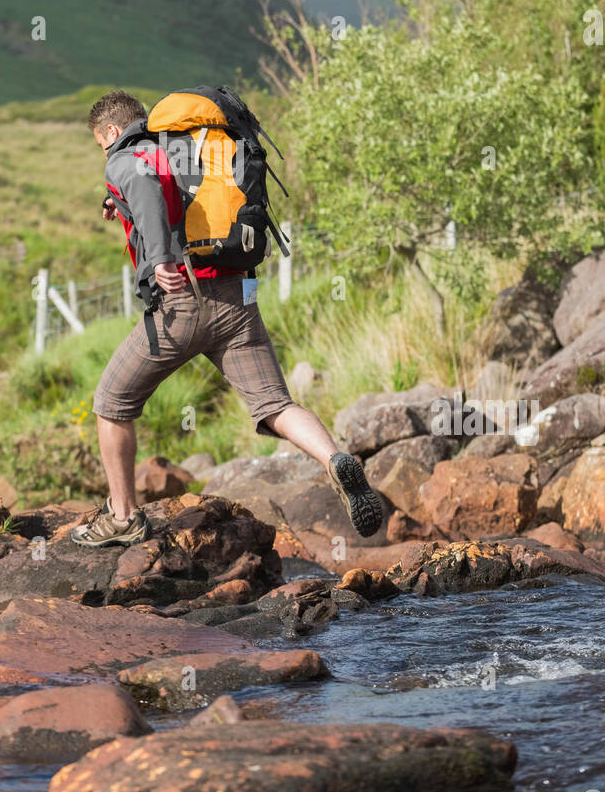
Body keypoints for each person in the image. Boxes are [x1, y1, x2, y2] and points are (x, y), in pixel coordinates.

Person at [72, 90, 383, 548]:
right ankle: (334, 458)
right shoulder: (187, 151)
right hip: (238, 299)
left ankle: (121, 518)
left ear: (112, 132)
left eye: (103, 144)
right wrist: (115, 203)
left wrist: (159, 258)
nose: (106, 151)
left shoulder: (126, 158)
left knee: (111, 403)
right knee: (275, 404)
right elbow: (154, 189)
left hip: (183, 303)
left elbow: (142, 187)